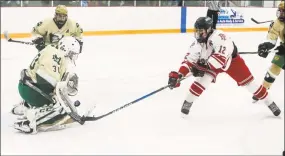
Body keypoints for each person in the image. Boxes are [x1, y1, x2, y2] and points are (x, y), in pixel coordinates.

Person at [168, 17, 281, 117]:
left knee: (251, 85)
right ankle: (188, 102)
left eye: (200, 31)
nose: (198, 34)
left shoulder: (220, 37)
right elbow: (189, 60)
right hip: (210, 64)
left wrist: (201, 67)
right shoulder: (198, 44)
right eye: (196, 31)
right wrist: (179, 74)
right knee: (201, 82)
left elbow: (220, 60)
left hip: (232, 62)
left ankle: (269, 102)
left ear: (208, 30)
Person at [12, 36, 83, 134]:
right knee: (61, 111)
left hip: (25, 88)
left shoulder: (51, 50)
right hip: (32, 91)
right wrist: (58, 95)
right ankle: (29, 123)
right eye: (72, 54)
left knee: (58, 102)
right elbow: (45, 79)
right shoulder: (58, 56)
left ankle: (24, 106)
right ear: (66, 49)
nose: (72, 57)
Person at [252, 1, 284, 102]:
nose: (281, 14)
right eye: (280, 11)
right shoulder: (278, 22)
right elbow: (272, 36)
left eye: (284, 11)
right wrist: (265, 46)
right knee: (274, 67)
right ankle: (263, 89)